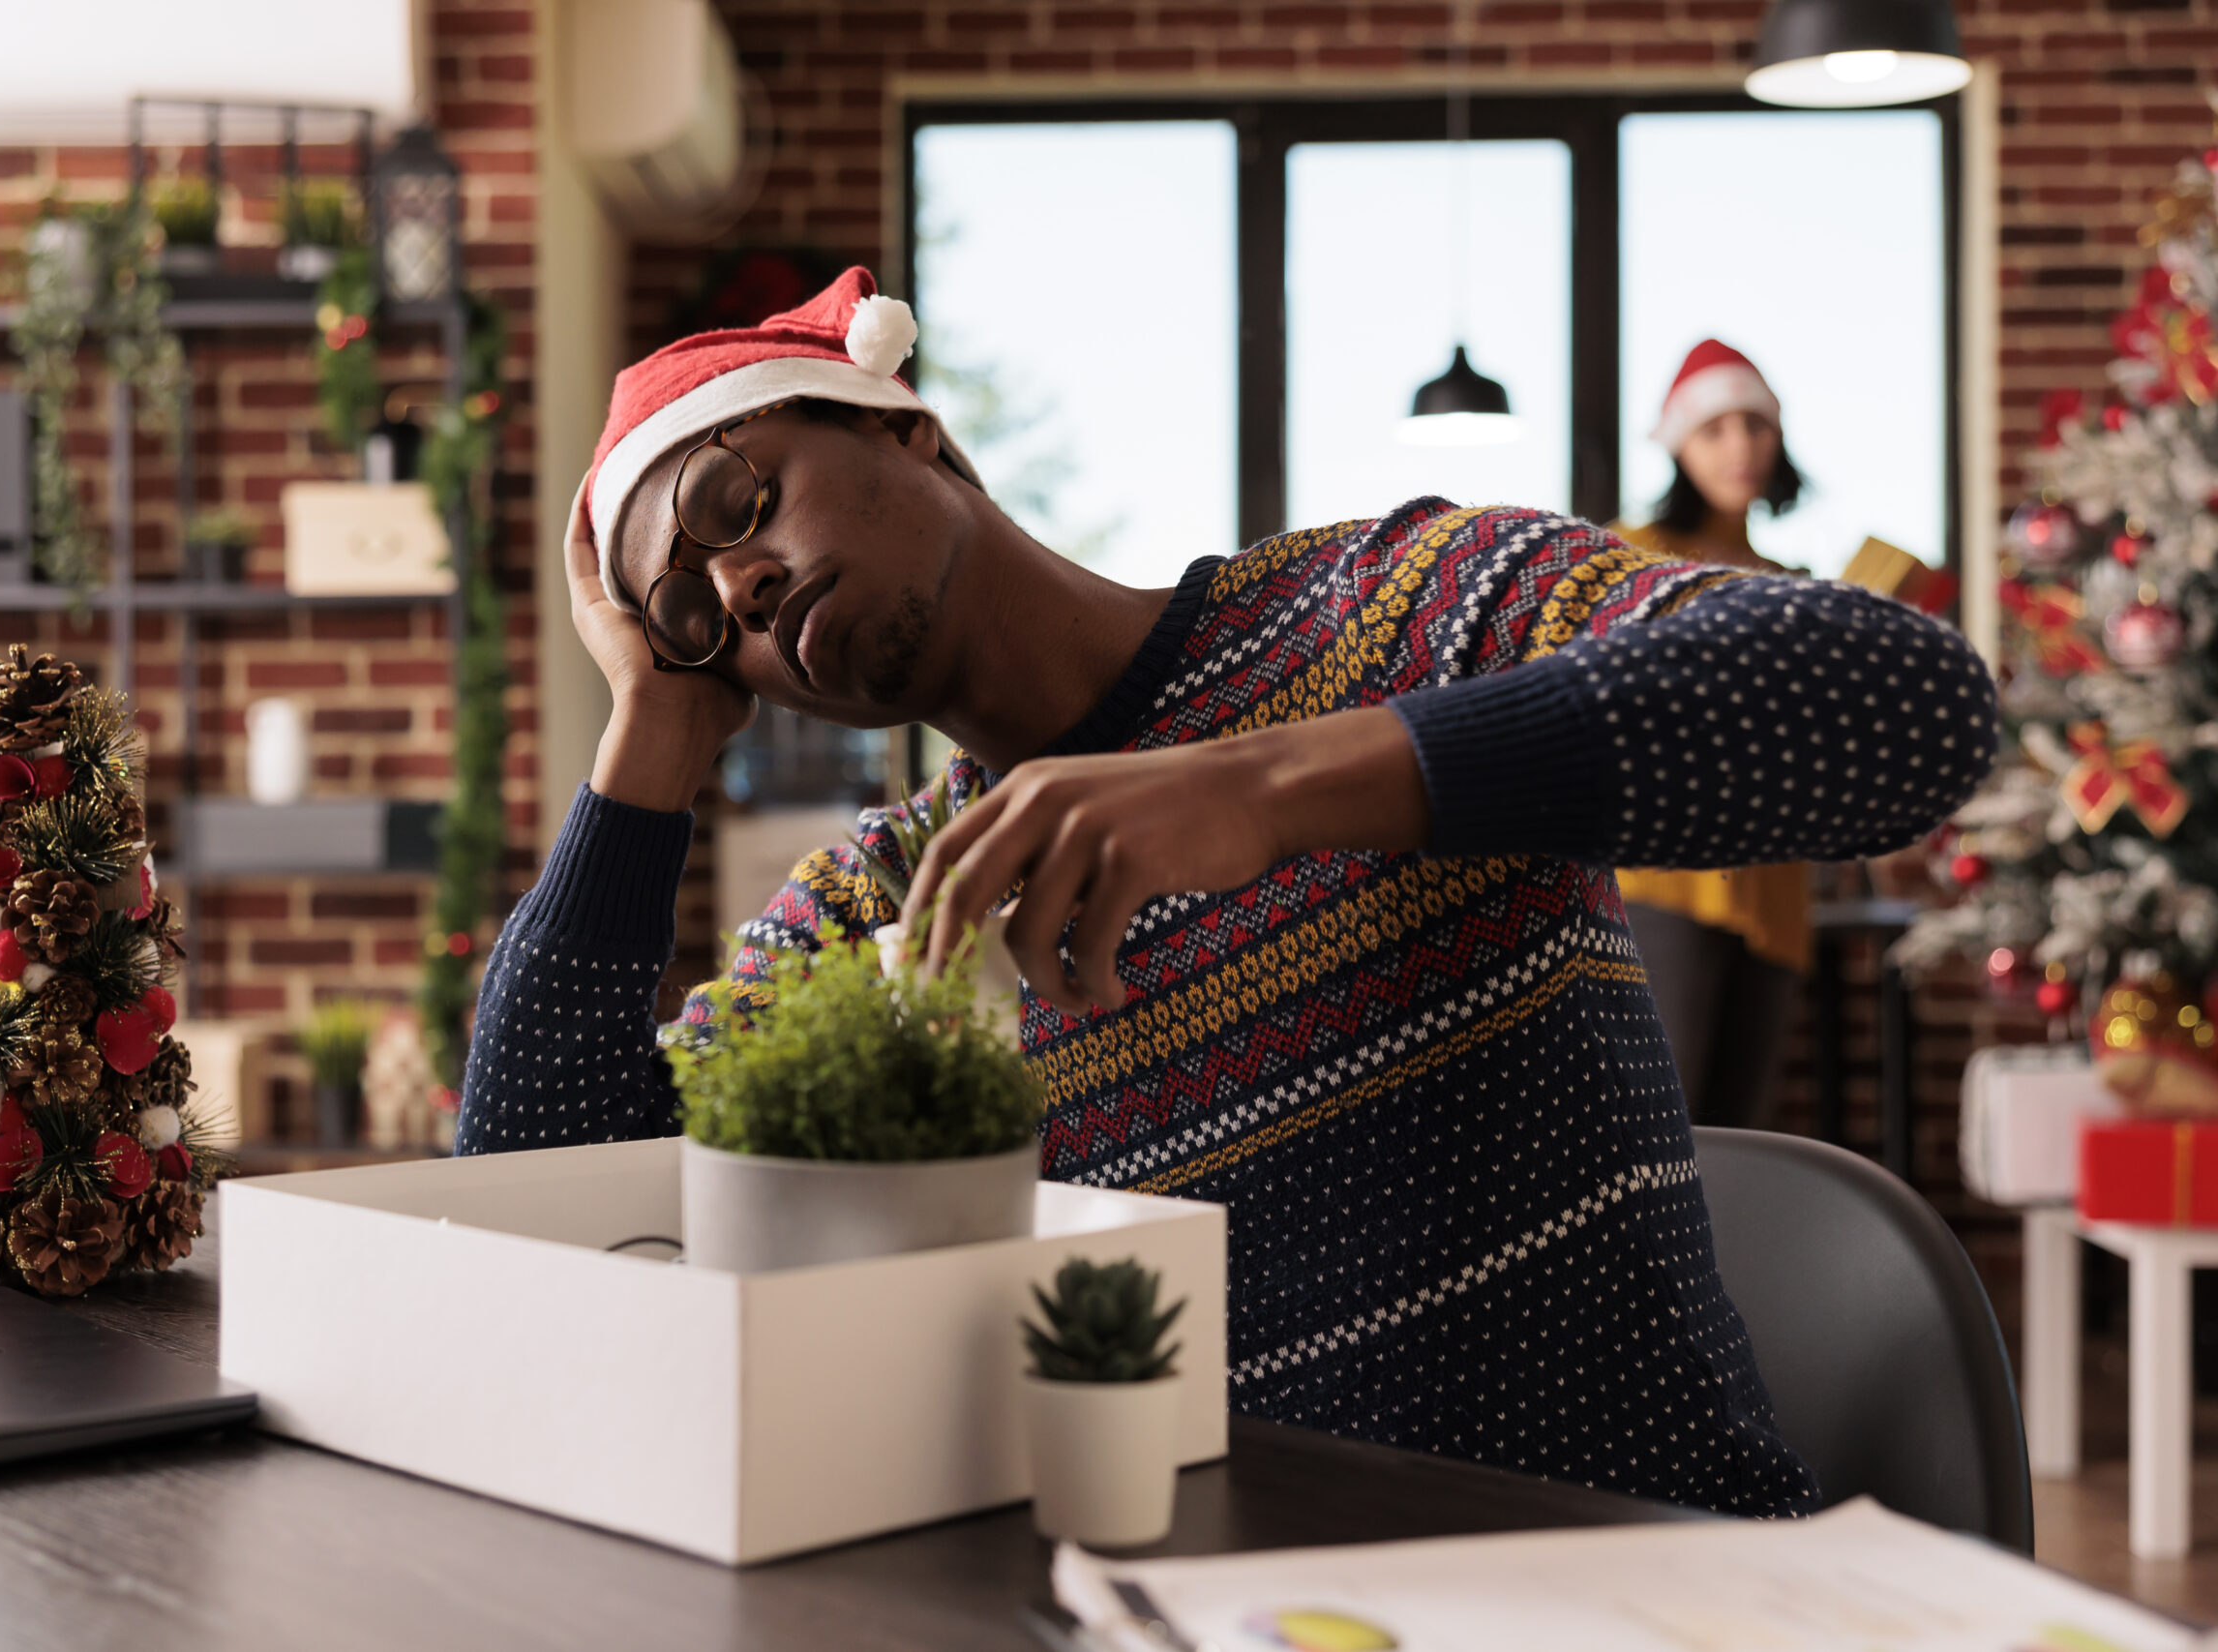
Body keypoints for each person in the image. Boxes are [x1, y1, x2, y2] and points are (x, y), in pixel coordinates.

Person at [458, 271, 1996, 1517]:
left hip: (1642, 1584)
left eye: (735, 499)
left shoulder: (1391, 611)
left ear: (906, 428)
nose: (733, 592)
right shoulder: (883, 907)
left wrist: (1265, 783)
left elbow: (1902, 702)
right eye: (686, 610)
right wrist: (650, 728)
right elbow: (532, 1217)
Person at [1612, 341, 1813, 1130]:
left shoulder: (1788, 582)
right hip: (1667, 878)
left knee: (1744, 1132)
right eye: (1717, 428)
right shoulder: (1628, 555)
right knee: (1667, 1122)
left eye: (1757, 425)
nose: (1742, 447)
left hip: (1773, 881)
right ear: (1678, 445)